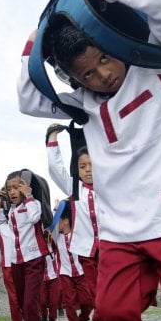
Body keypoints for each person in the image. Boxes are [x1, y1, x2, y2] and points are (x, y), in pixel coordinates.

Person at [17, 0, 161, 321]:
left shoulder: (155, 67)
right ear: (75, 79)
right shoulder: (83, 104)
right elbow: (28, 99)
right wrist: (34, 40)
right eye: (87, 74)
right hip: (121, 232)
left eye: (103, 58)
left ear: (114, 43)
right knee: (112, 313)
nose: (103, 75)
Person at [46, 125, 99, 309]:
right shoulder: (74, 189)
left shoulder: (109, 186)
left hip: (111, 249)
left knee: (115, 296)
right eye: (82, 166)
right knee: (96, 299)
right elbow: (55, 169)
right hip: (87, 254)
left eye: (92, 165)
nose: (88, 170)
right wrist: (52, 137)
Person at [0, 171, 50, 321]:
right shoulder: (11, 211)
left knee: (30, 303)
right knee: (22, 304)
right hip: (16, 263)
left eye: (16, 187)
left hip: (34, 260)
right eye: (9, 189)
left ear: (25, 187)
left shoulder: (33, 204)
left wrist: (28, 196)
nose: (12, 192)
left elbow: (34, 218)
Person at [52, 200, 93, 321]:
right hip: (65, 273)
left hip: (81, 273)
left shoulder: (78, 233)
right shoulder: (55, 237)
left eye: (58, 220)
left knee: (87, 300)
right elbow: (49, 222)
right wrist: (56, 209)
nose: (55, 223)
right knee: (69, 303)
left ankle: (83, 318)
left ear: (65, 221)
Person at [0, 195, 23, 321]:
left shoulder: (24, 221)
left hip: (26, 264)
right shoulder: (1, 227)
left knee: (29, 297)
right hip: (8, 265)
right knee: (13, 298)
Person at [40, 250, 61, 321]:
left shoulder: (53, 244)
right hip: (41, 279)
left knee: (53, 302)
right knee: (42, 301)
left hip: (54, 277)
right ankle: (44, 316)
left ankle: (52, 320)